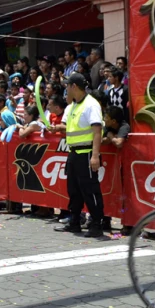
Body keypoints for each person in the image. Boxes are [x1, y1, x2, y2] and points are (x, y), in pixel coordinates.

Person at [53, 73, 105, 237]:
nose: (66, 88)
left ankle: (97, 224)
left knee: (90, 190)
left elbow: (97, 132)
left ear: (74, 86)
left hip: (87, 153)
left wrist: (95, 156)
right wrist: (56, 128)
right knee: (73, 191)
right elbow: (69, 128)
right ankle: (74, 221)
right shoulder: (72, 106)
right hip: (73, 154)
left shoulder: (91, 105)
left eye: (67, 85)